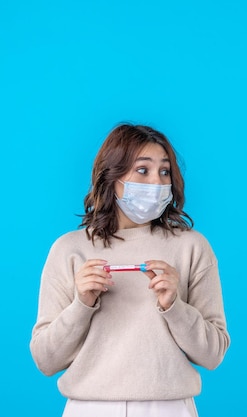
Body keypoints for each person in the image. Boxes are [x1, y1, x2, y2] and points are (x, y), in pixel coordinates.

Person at [30, 124, 230, 417]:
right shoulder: (69, 250)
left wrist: (174, 306)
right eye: (142, 170)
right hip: (89, 408)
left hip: (169, 408)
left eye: (164, 172)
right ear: (111, 175)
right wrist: (81, 305)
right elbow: (46, 360)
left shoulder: (192, 247)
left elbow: (213, 355)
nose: (156, 182)